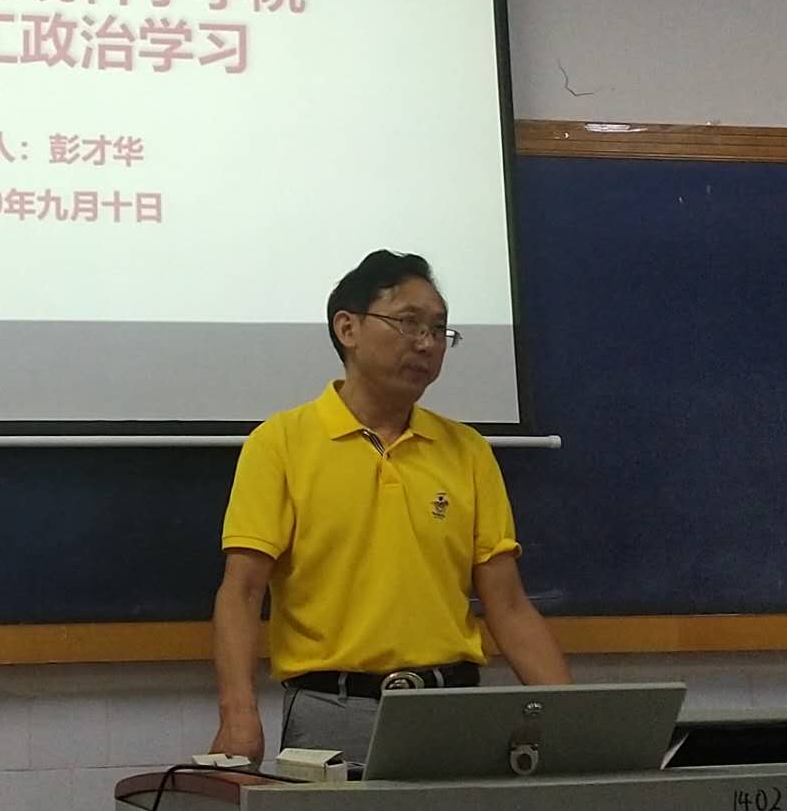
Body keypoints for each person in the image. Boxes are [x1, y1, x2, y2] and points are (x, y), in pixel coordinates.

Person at [210, 250, 571, 765]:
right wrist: (237, 713)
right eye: (408, 323)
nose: (426, 343)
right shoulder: (280, 444)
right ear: (348, 329)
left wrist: (571, 719)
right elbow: (242, 592)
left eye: (439, 329)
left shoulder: (467, 451)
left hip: (453, 709)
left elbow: (508, 606)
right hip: (332, 712)